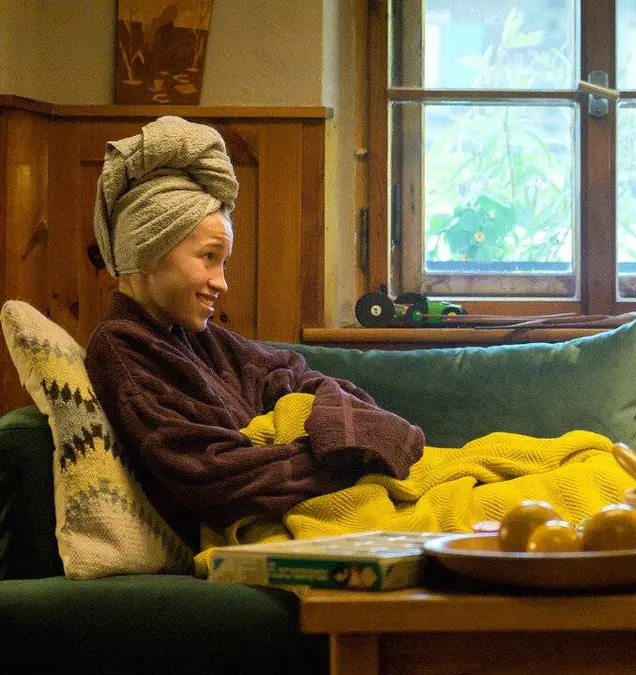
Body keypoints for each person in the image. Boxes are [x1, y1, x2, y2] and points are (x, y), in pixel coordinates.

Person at [85, 116, 425, 552]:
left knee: (504, 467)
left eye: (223, 262)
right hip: (262, 522)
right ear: (147, 251)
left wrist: (340, 433)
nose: (221, 283)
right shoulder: (122, 348)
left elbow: (292, 374)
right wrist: (342, 458)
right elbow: (212, 476)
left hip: (319, 482)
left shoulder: (195, 338)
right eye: (209, 257)